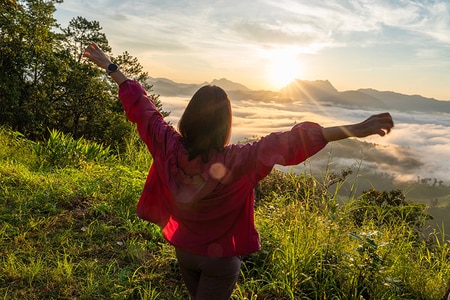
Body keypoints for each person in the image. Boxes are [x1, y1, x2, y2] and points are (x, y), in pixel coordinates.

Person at [83, 42, 394, 300]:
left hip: (184, 251)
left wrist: (110, 66)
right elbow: (289, 142)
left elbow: (143, 107)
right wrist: (354, 129)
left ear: (190, 117)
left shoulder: (167, 146)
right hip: (220, 261)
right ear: (225, 125)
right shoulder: (240, 160)